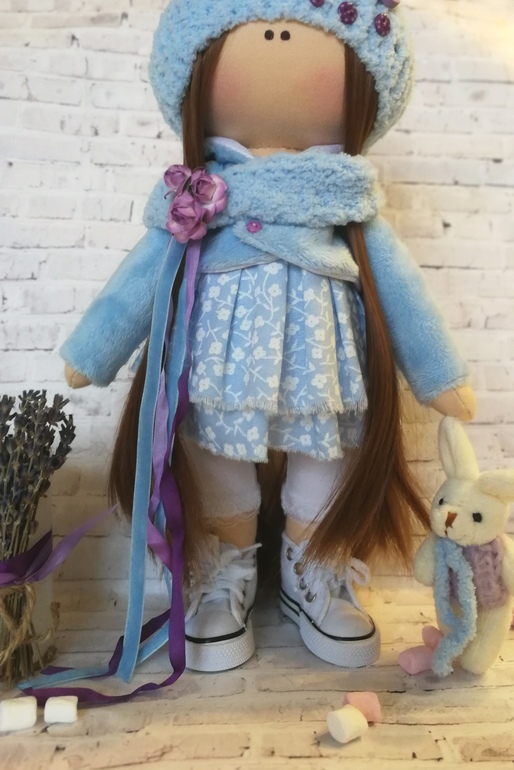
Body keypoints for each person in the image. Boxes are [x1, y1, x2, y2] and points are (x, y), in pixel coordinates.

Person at [62, 0, 476, 675]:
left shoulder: (346, 199)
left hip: (323, 368)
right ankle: (223, 572)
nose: (279, 35)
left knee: (327, 459)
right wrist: (93, 351)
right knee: (212, 457)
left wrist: (438, 374)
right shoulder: (198, 196)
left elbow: (403, 291)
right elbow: (141, 279)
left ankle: (313, 563)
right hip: (214, 367)